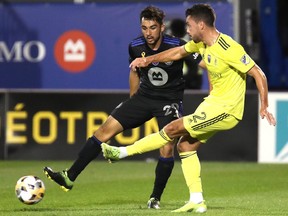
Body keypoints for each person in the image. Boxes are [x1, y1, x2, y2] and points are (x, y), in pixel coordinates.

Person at [101, 4, 277, 213]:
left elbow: (258, 73)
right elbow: (175, 53)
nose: (187, 30)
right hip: (213, 104)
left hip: (227, 109)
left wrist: (264, 105)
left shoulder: (228, 47)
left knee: (173, 129)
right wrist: (147, 59)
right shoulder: (200, 44)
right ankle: (197, 200)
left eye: (189, 25)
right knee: (185, 146)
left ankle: (120, 152)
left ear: (201, 25)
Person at [43, 6, 202, 210]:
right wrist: (131, 101)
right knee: (103, 131)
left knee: (167, 147)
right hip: (144, 98)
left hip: (168, 101)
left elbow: (205, 64)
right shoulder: (135, 46)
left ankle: (155, 198)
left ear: (162, 27)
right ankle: (69, 177)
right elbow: (134, 71)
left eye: (153, 28)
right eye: (144, 28)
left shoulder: (178, 45)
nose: (148, 33)